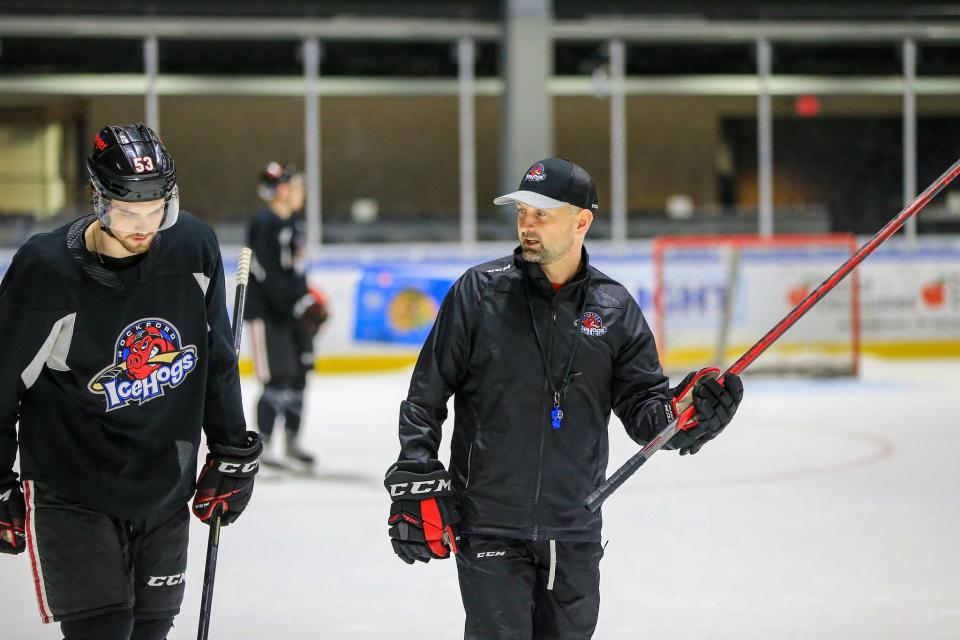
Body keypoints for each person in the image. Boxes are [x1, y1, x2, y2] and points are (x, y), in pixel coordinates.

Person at [384, 158, 744, 639]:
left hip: (574, 526)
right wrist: (417, 465)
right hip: (489, 521)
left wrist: (689, 415)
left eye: (542, 214)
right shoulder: (478, 292)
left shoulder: (614, 309)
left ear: (582, 221)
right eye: (522, 213)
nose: (527, 226)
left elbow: (647, 413)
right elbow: (425, 394)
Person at [0, 123, 261, 640]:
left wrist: (232, 449)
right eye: (127, 212)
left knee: (149, 633)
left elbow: (217, 358)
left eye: (155, 210)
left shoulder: (192, 248)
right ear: (98, 201)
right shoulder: (47, 270)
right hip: (74, 489)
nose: (144, 226)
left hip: (163, 484)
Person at [244, 162, 327, 471]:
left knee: (298, 375)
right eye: (297, 186)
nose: (302, 192)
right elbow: (268, 276)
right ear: (282, 190)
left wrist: (306, 301)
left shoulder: (294, 223)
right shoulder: (263, 223)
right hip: (267, 315)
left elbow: (294, 272)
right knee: (276, 378)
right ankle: (262, 447)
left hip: (290, 313)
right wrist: (298, 304)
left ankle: (292, 442)